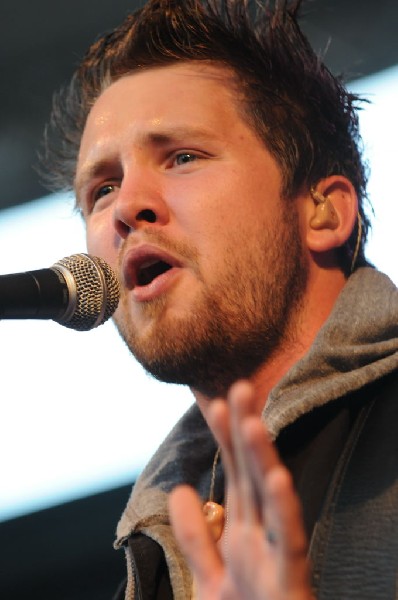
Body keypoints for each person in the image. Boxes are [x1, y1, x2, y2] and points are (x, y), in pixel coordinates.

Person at [41, 1, 398, 598]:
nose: (128, 207)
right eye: (102, 189)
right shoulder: (154, 559)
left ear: (324, 211)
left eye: (182, 157)